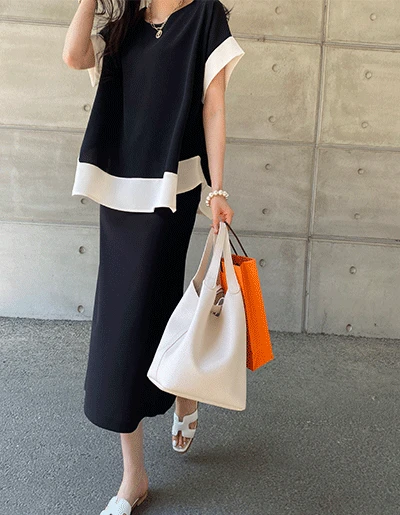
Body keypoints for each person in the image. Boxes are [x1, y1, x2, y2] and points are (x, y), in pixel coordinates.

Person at [62, 0, 245, 512]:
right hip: (118, 191)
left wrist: (217, 189)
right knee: (122, 323)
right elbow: (74, 56)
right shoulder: (124, 29)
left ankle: (182, 386)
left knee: (157, 304)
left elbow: (213, 105)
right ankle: (134, 476)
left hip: (172, 192)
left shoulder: (204, 16)